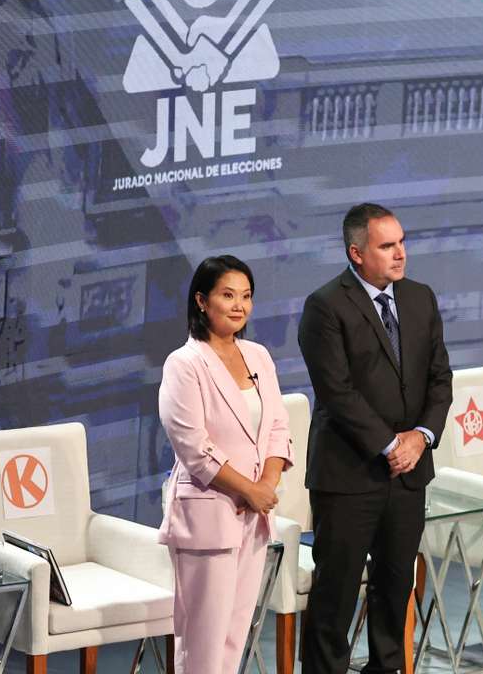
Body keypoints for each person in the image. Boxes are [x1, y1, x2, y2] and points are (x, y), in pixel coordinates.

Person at [298, 203, 453, 674]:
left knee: (394, 589)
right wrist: (391, 445)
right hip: (349, 474)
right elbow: (337, 392)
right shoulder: (325, 306)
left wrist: (421, 438)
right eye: (388, 246)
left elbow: (439, 378)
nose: (400, 253)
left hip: (408, 476)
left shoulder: (420, 298)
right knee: (335, 595)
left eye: (402, 242)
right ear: (357, 252)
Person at [158, 255, 295, 673]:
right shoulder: (185, 363)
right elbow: (193, 447)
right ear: (202, 301)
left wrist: (265, 486)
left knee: (235, 635)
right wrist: (246, 488)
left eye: (247, 296)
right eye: (228, 295)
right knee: (202, 641)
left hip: (252, 516)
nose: (239, 306)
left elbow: (277, 427)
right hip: (207, 513)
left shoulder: (258, 355)